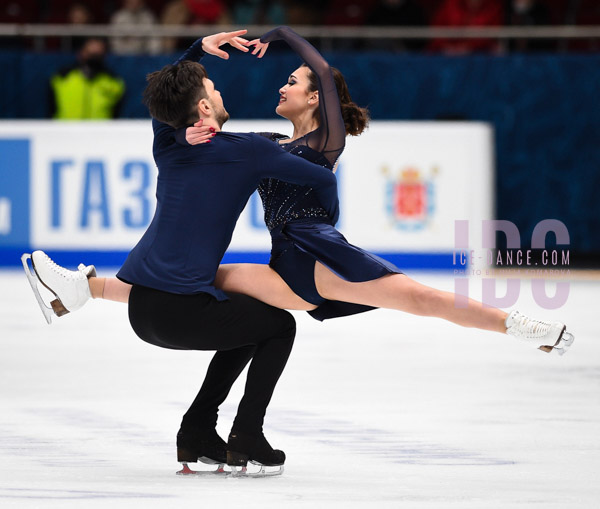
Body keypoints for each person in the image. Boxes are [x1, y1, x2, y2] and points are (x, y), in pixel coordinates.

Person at [33, 27, 573, 357]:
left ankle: (521, 326)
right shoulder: (267, 142)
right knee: (186, 281)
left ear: (315, 100)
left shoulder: (324, 141)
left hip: (316, 253)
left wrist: (283, 33)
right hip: (283, 261)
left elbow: (320, 86)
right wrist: (190, 132)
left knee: (420, 299)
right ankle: (84, 289)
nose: (282, 85)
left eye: (292, 82)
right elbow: (229, 145)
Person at [26, 29, 342, 476]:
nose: (218, 88)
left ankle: (196, 431)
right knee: (279, 327)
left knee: (252, 318)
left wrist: (196, 50)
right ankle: (247, 434)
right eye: (212, 88)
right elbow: (324, 178)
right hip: (182, 311)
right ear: (205, 108)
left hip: (142, 310)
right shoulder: (249, 150)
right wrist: (322, 225)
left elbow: (166, 98)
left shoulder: (165, 141)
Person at [49, 37, 125, 119]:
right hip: (64, 130)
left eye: (97, 55)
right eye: (90, 54)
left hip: (101, 131)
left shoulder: (114, 82)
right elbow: (51, 109)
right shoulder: (62, 77)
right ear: (81, 53)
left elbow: (117, 114)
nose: (93, 59)